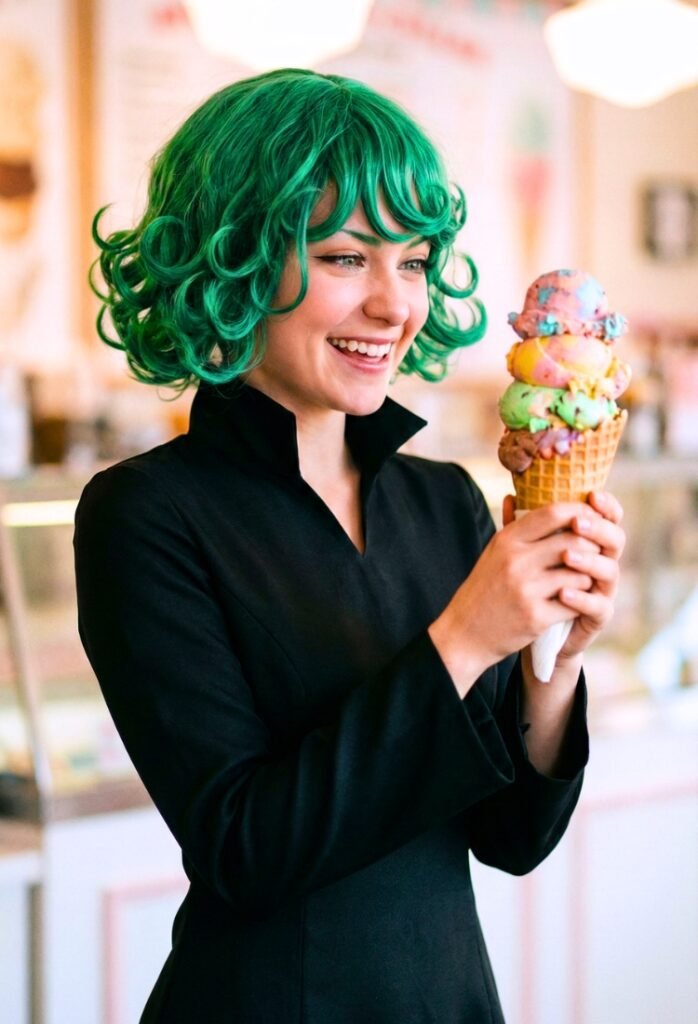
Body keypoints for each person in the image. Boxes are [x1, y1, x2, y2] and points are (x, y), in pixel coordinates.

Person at [74, 68, 625, 1024]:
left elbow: (512, 837)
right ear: (235, 259)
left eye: (412, 261)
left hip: (448, 1000)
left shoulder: (447, 500)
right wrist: (464, 639)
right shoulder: (145, 515)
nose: (393, 305)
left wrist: (551, 667)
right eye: (344, 256)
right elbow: (243, 849)